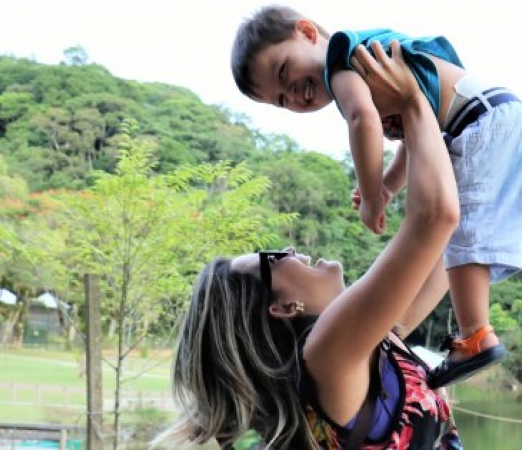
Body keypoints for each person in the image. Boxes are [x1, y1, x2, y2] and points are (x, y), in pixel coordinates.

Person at [230, 5, 522, 389]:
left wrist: (371, 196)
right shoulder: (372, 65)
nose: (293, 93)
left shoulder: (341, 64)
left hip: (477, 124)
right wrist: (387, 186)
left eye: (284, 72)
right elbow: (413, 140)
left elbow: (362, 121)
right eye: (281, 100)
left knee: (466, 235)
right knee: (497, 231)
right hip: (498, 116)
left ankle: (474, 335)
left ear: (307, 32)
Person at [153, 43, 463, 449]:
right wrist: (413, 98)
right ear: (282, 307)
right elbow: (435, 218)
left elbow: (454, 245)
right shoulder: (328, 353)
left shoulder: (371, 342)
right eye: (275, 258)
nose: (290, 249)